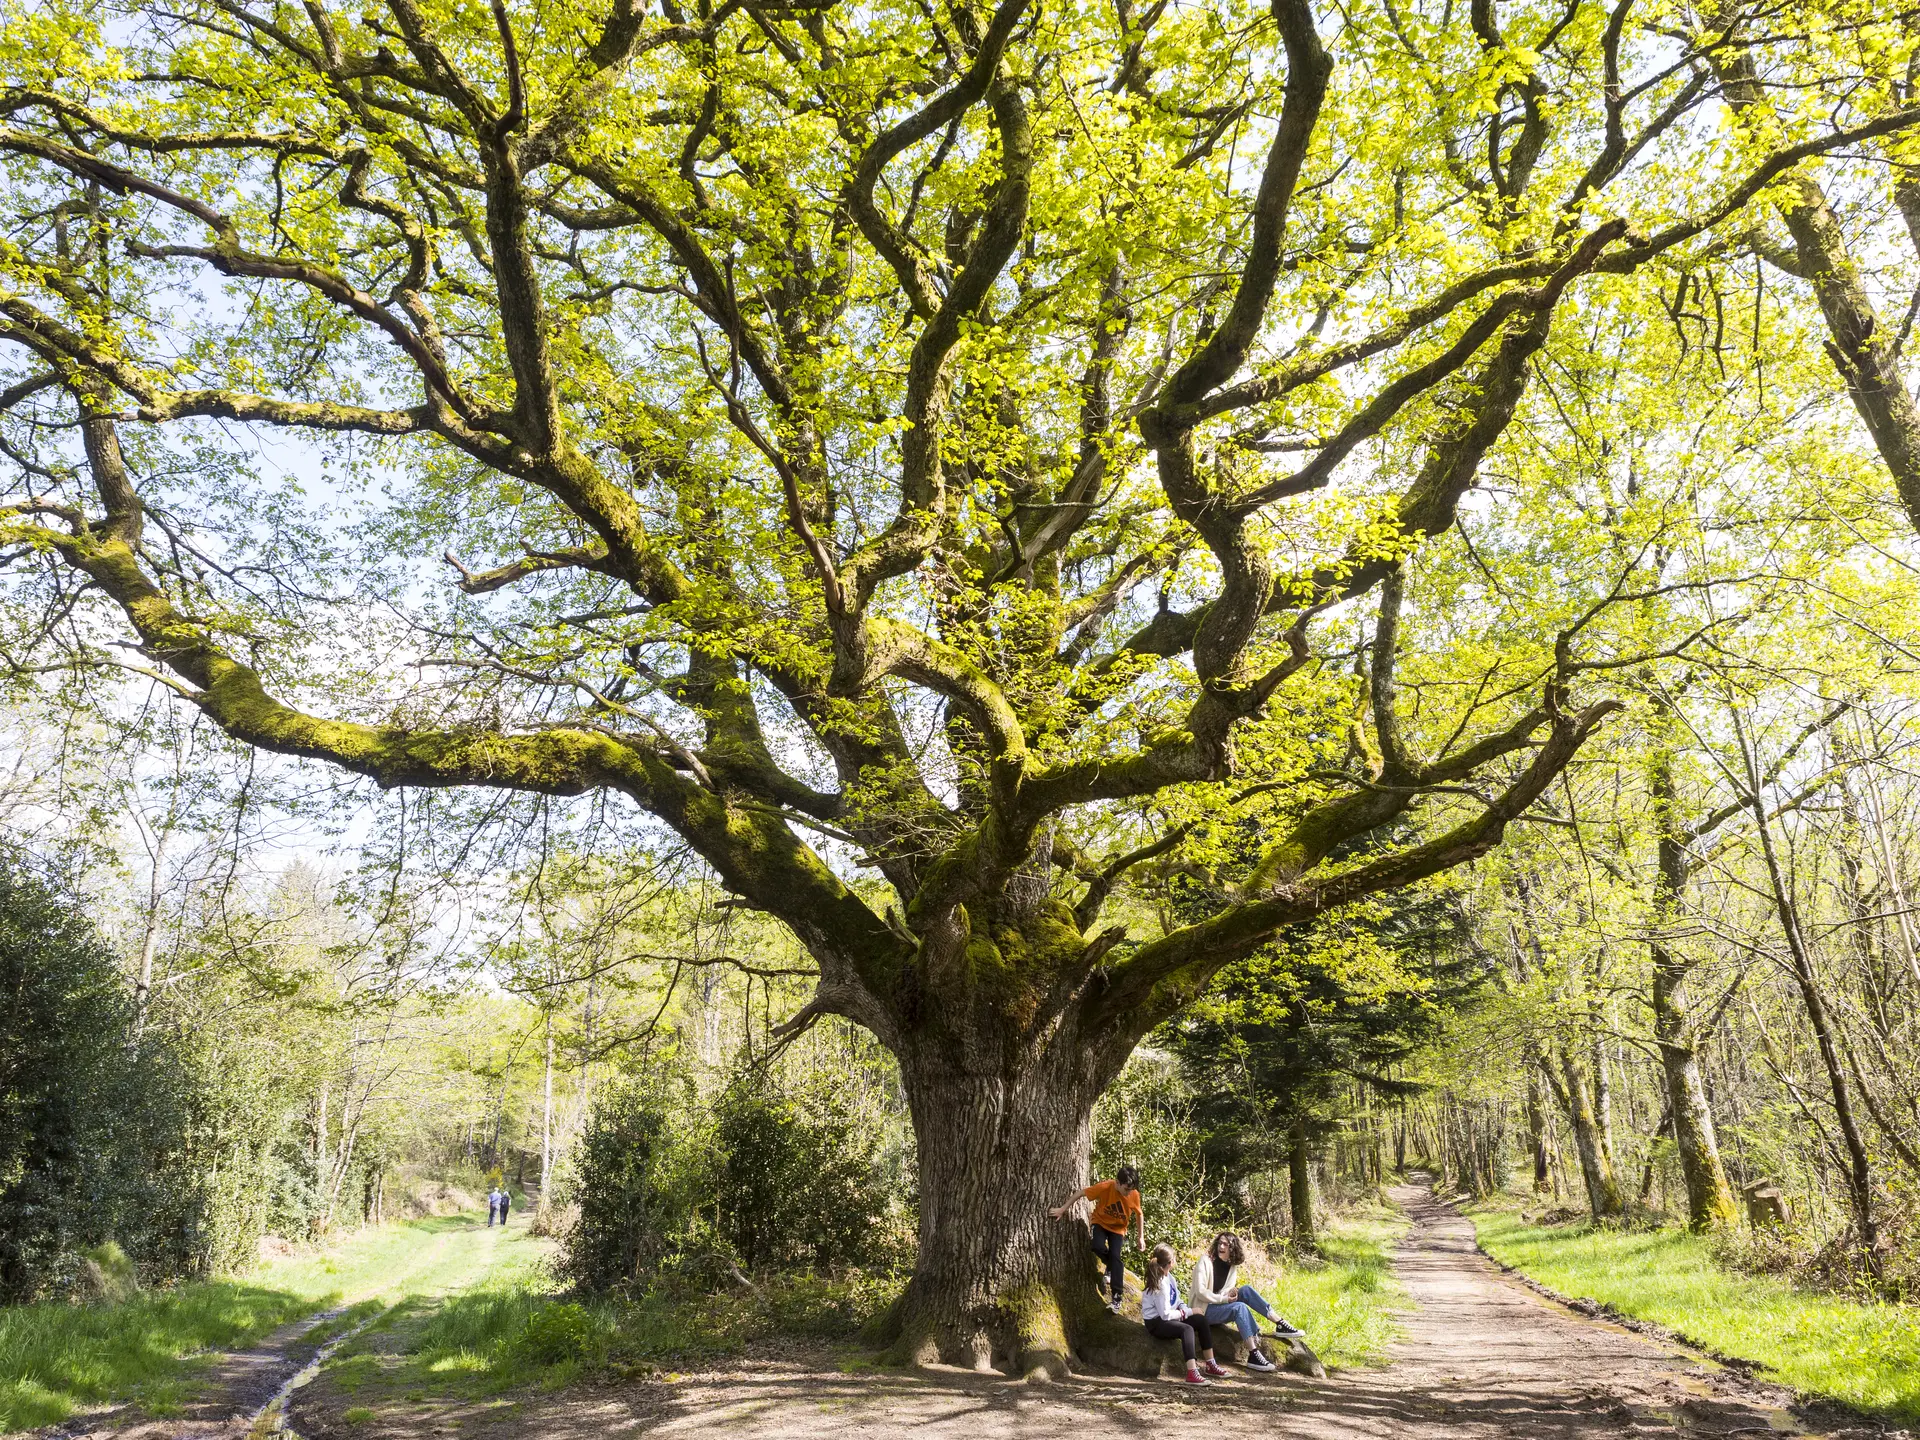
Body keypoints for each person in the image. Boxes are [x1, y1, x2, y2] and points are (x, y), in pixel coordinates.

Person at [1188, 1231, 1306, 1372]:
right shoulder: (1205, 1261)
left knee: (1246, 1290)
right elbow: (1201, 1293)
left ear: (1233, 1248)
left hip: (1218, 1305)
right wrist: (1225, 1298)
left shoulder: (1232, 1266)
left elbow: (1224, 1290)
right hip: (1202, 1311)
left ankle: (1279, 1323)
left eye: (1226, 1244)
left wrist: (1230, 1293)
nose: (1221, 1246)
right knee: (1239, 1307)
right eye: (1220, 1243)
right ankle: (1253, 1354)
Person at [1047, 1165, 1145, 1313]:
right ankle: (1111, 1265)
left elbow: (1139, 1214)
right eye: (1126, 1189)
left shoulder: (1134, 1195)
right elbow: (1081, 1193)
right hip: (1100, 1223)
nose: (1128, 1193)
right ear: (1117, 1183)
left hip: (1118, 1229)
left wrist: (1140, 1237)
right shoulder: (1105, 1187)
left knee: (1116, 1257)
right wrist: (1062, 1209)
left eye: (1131, 1190)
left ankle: (1117, 1298)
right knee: (1097, 1246)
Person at [1141, 1242, 1228, 1385]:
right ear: (1170, 1262)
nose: (1175, 1260)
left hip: (1168, 1317)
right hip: (1156, 1323)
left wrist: (1186, 1309)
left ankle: (1210, 1364)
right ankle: (1192, 1372)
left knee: (1200, 1319)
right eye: (1174, 1258)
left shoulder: (1169, 1277)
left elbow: (1177, 1300)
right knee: (1186, 1329)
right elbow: (1165, 1315)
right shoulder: (1160, 1284)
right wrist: (1189, 1311)